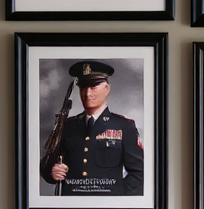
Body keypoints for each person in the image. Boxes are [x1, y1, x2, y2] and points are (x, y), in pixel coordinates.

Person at [39, 60, 144, 197]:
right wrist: (52, 172)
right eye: (83, 87)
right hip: (72, 206)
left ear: (106, 89)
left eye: (93, 86)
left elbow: (139, 173)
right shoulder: (67, 126)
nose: (87, 93)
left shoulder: (123, 126)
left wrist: (119, 198)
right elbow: (47, 163)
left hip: (108, 207)